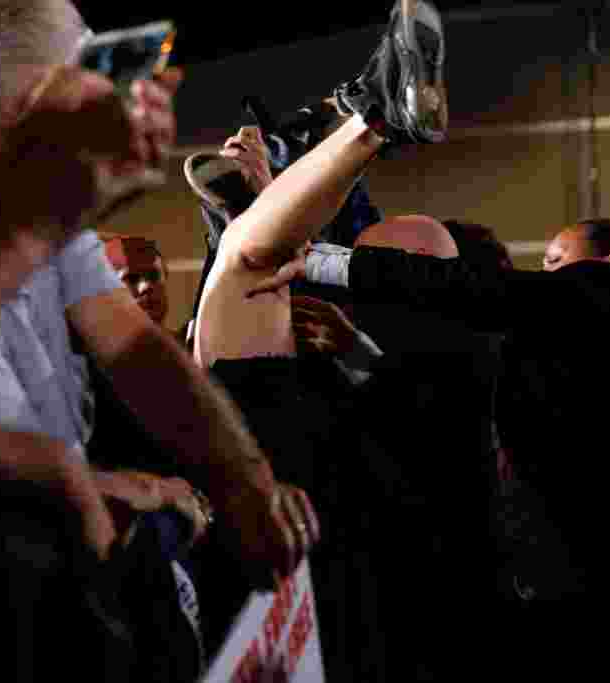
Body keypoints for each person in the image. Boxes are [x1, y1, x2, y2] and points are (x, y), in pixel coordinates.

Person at [0, 0, 317, 585]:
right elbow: (45, 496)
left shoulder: (21, 193)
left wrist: (244, 480)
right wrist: (159, 497)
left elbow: (136, 350)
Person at [255, 217, 610, 676]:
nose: (542, 275)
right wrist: (356, 350)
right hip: (577, 611)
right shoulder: (567, 364)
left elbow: (478, 291)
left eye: (556, 261)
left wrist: (319, 261)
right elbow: (453, 404)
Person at [186, 0, 446, 676]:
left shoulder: (428, 381)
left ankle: (372, 116)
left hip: (292, 526)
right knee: (253, 258)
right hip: (307, 548)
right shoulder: (351, 358)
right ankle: (367, 118)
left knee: (251, 259)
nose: (359, 265)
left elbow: (274, 259)